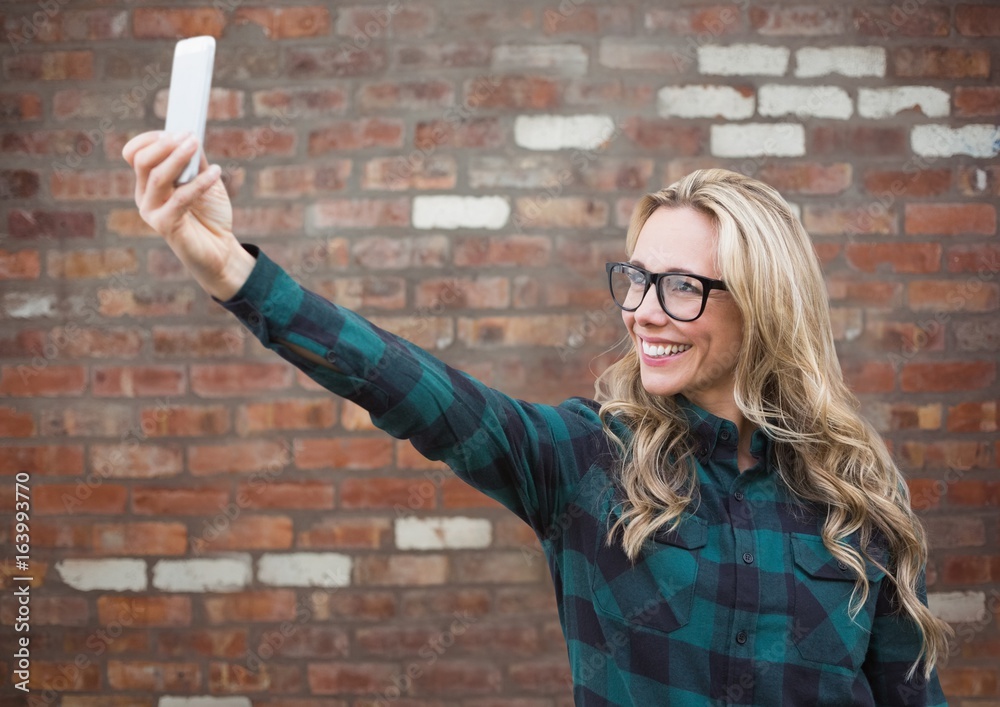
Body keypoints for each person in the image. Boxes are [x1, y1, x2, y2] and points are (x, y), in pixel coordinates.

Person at [123, 131, 950, 706]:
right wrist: (233, 269)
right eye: (635, 276)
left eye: (682, 287)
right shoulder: (587, 458)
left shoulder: (854, 496)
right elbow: (410, 386)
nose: (643, 311)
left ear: (764, 305)